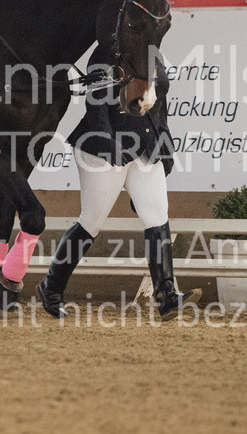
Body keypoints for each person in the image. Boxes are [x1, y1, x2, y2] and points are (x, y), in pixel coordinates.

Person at [37, 43, 201, 321]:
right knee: (91, 222)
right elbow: (96, 103)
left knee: (157, 216)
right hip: (101, 148)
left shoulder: (154, 56)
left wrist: (165, 144)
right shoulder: (105, 54)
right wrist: (105, 140)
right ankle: (51, 287)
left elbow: (159, 105)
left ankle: (166, 294)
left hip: (145, 147)